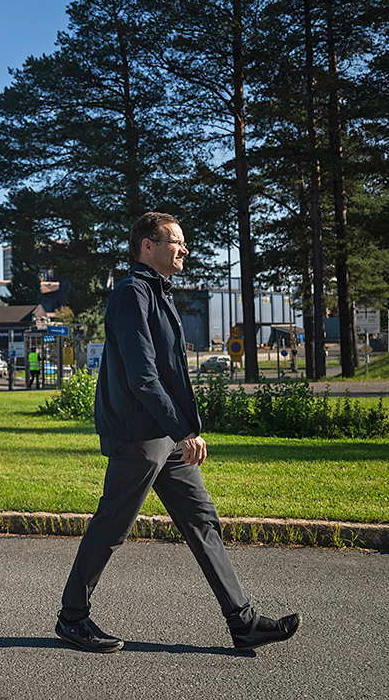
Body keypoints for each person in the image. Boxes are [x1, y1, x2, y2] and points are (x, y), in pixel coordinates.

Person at [55, 212, 300, 653]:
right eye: (175, 242)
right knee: (112, 526)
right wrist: (184, 430)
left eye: (183, 242)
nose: (184, 249)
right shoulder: (132, 294)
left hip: (163, 435)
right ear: (148, 246)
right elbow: (143, 376)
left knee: (201, 521)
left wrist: (179, 430)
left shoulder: (157, 293)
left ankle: (243, 622)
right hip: (139, 434)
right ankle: (72, 618)